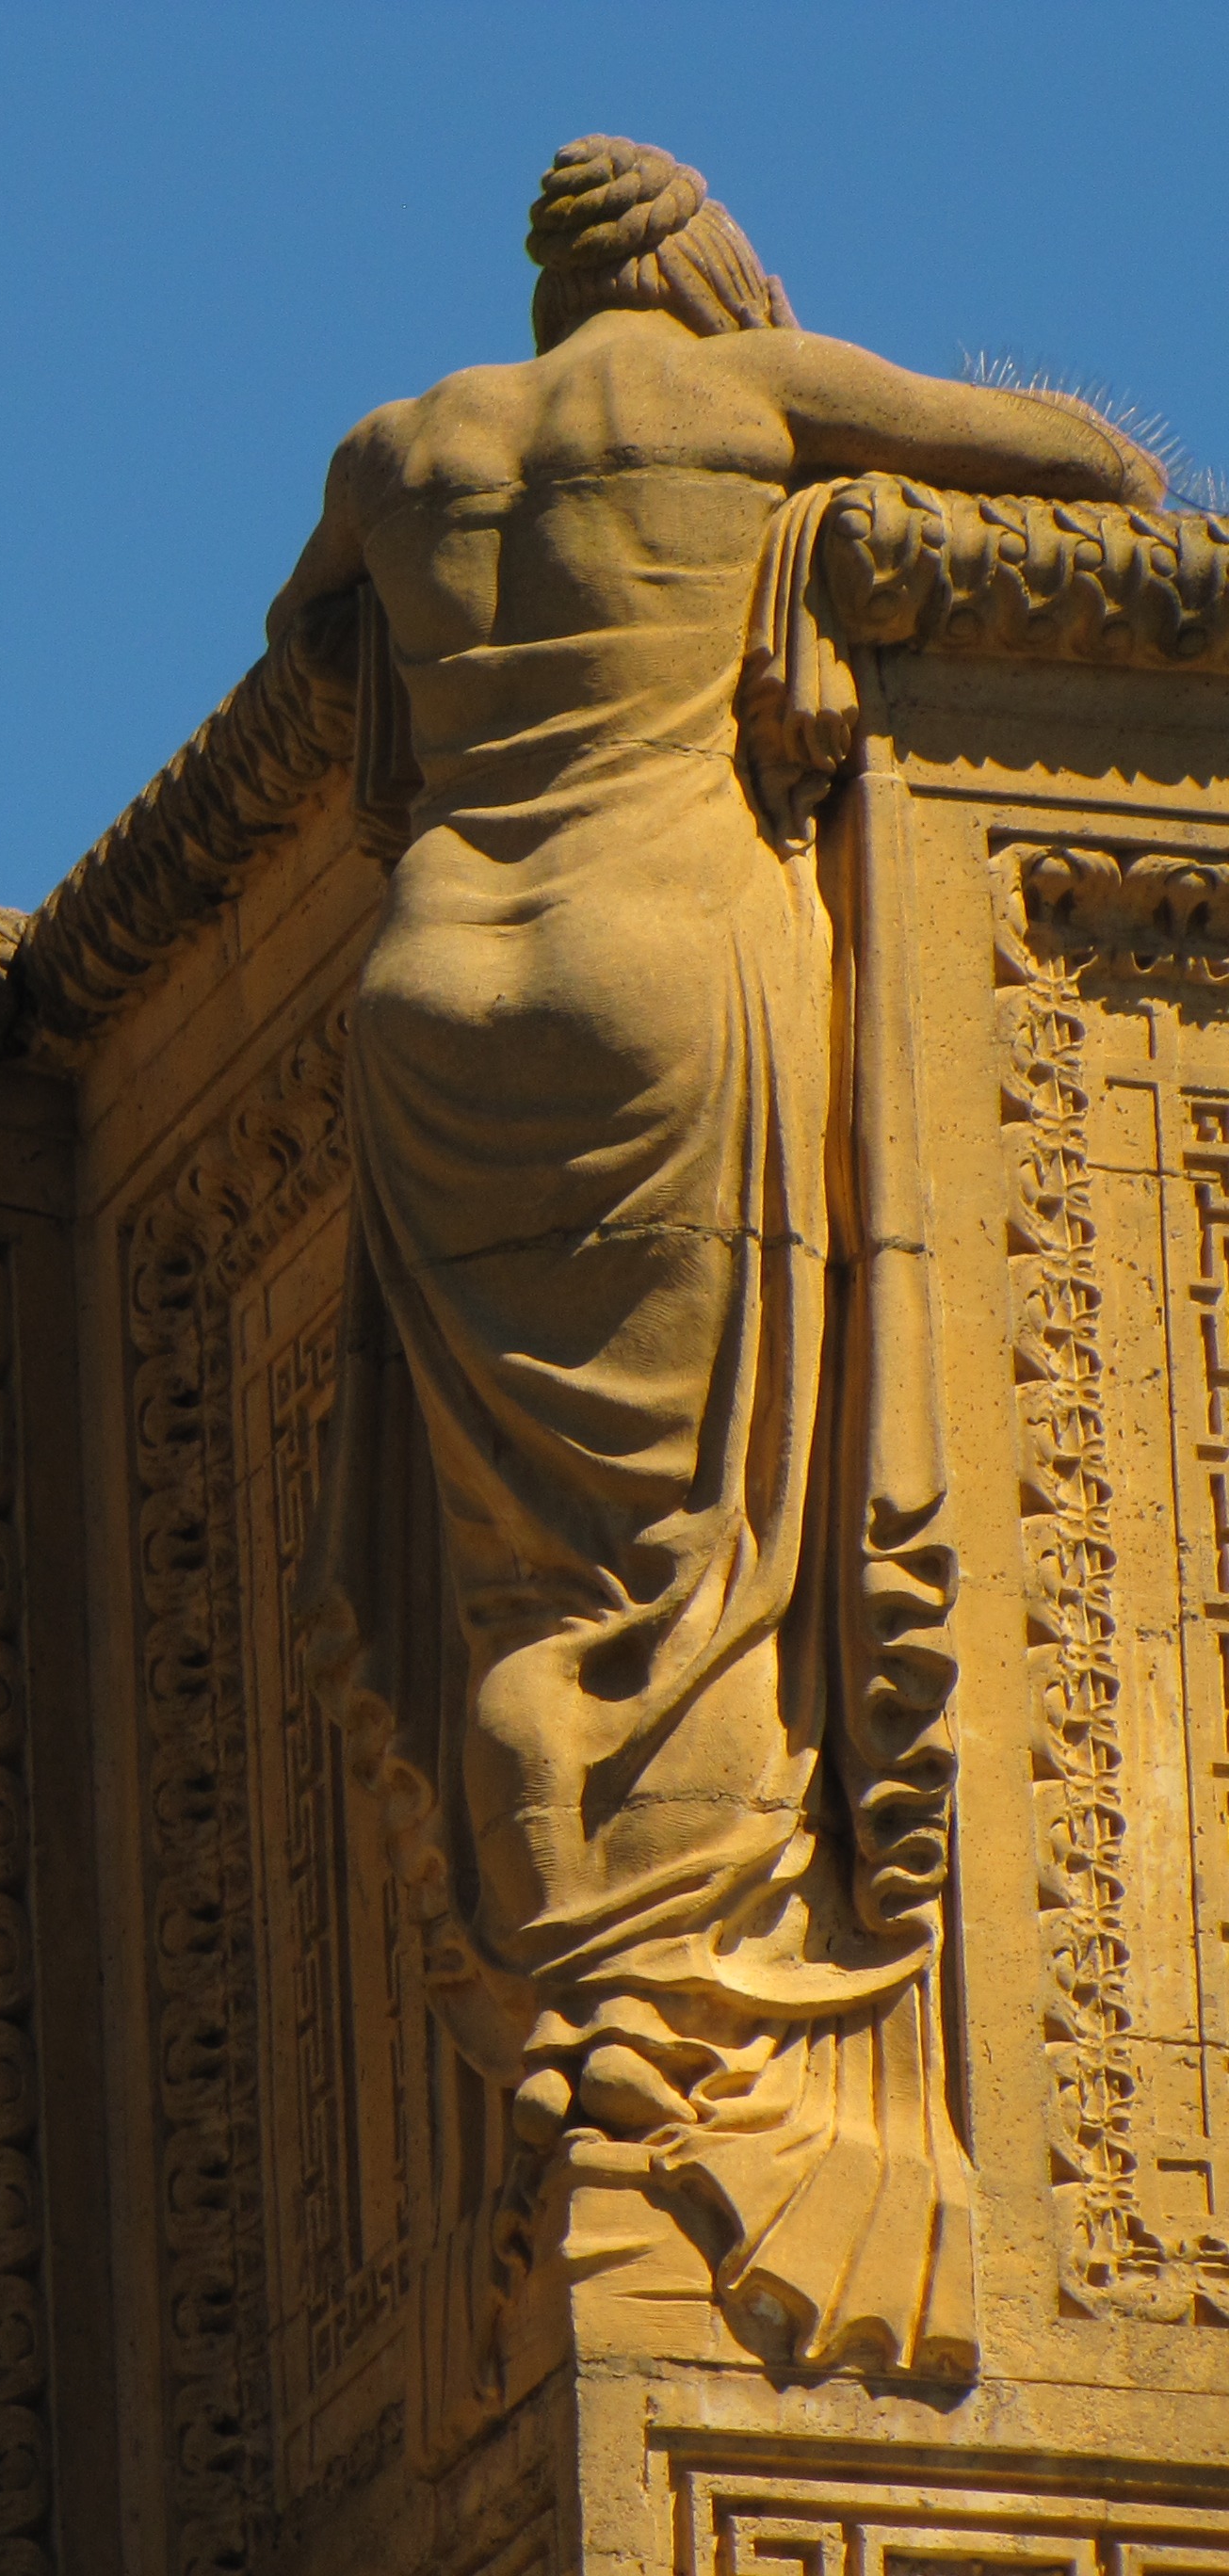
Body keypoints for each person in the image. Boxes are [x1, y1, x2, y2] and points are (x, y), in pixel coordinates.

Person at [281, 137, 1162, 2376]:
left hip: (427, 985)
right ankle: (695, 2077)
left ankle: (574, 2002)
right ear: (701, 269)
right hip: (659, 964)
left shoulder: (400, 447)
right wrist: (798, 513)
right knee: (691, 1564)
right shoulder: (736, 396)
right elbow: (1085, 466)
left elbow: (310, 638)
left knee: (529, 1587)